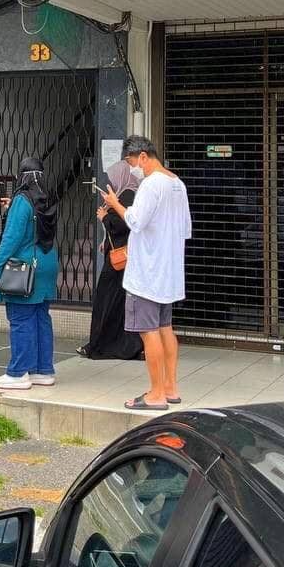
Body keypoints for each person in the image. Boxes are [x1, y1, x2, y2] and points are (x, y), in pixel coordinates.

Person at [103, 135, 191, 412]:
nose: (132, 169)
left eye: (131, 162)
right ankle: (170, 388)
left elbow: (135, 221)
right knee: (165, 328)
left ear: (143, 156)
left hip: (147, 273)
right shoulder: (177, 184)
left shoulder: (152, 184)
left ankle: (155, 394)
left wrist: (115, 203)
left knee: (148, 331)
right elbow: (186, 229)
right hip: (169, 272)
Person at [0, 157, 60, 390]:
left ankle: (18, 373)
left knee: (20, 318)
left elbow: (12, 238)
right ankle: (42, 370)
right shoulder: (45, 199)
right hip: (46, 263)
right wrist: (12, 208)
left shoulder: (22, 200)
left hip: (26, 267)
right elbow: (33, 225)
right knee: (41, 318)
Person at [78, 160, 144, 361]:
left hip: (119, 263)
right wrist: (105, 242)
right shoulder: (129, 193)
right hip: (125, 259)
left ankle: (101, 345)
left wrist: (104, 217)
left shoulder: (126, 196)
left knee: (106, 302)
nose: (112, 181)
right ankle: (123, 345)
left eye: (114, 177)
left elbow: (123, 225)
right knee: (121, 304)